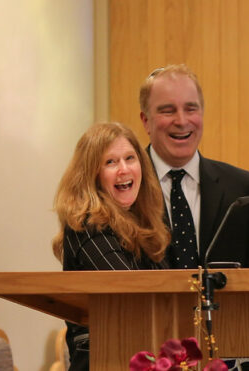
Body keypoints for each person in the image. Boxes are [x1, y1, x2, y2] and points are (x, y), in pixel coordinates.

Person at [51, 122, 171, 370]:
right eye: (111, 162)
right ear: (92, 175)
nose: (124, 169)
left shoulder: (142, 223)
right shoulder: (87, 225)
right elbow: (133, 295)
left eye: (130, 158)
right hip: (105, 360)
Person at [138, 64, 249, 269]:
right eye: (168, 111)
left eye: (191, 109)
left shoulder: (244, 191)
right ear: (146, 121)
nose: (182, 121)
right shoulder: (123, 189)